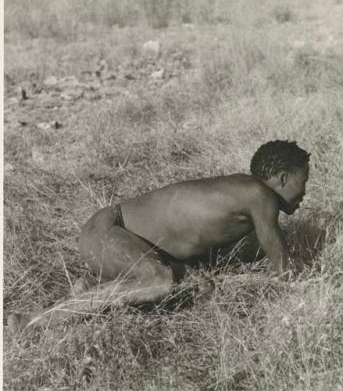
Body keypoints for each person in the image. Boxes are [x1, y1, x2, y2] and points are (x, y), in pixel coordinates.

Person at [8, 140, 310, 333]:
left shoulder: (242, 199)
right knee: (158, 280)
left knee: (200, 286)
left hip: (119, 239)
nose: (305, 193)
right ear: (282, 178)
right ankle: (33, 321)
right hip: (108, 229)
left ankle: (92, 289)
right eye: (303, 181)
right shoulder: (259, 196)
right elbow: (283, 271)